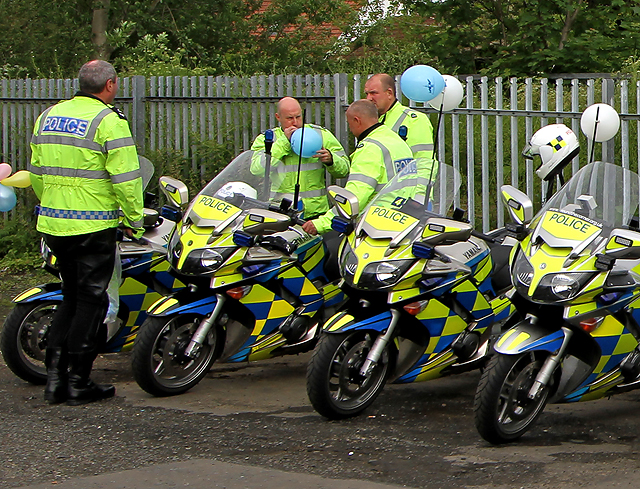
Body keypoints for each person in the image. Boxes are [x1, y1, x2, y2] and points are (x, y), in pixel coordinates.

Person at [29, 60, 144, 406]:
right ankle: (78, 382)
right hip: (93, 226)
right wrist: (135, 219)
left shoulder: (48, 116)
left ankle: (54, 380)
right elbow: (126, 178)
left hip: (54, 223)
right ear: (109, 85)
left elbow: (36, 170)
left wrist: (51, 203)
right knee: (92, 301)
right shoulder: (109, 121)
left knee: (71, 295)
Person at [302, 99, 414, 235]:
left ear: (357, 120)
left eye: (349, 124)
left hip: (377, 226)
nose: (350, 129)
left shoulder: (370, 148)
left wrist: (321, 223)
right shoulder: (396, 141)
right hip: (403, 221)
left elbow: (354, 197)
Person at [250, 97, 349, 219]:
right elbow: (256, 169)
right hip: (280, 213)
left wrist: (331, 160)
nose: (295, 122)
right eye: (289, 118)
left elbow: (344, 170)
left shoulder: (320, 135)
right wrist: (284, 143)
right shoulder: (268, 139)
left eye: (298, 117)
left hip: (316, 214)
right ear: (278, 117)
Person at [364, 73, 435, 162]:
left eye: (373, 93)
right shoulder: (374, 120)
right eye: (367, 94)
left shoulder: (415, 120)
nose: (368, 98)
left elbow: (423, 162)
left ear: (389, 93)